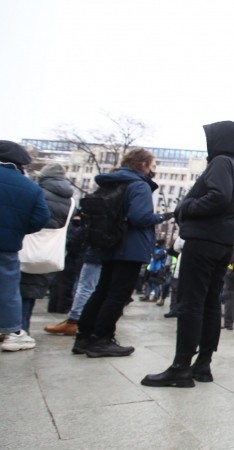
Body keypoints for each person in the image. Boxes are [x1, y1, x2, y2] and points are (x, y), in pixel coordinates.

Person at [141, 120, 234, 386]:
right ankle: (203, 364)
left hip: (204, 240)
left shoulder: (221, 162)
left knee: (191, 302)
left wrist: (185, 208)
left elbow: (218, 197)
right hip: (221, 242)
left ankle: (180, 367)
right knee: (210, 303)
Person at [73, 148, 171, 357]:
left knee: (102, 290)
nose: (154, 169)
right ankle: (102, 338)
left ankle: (84, 336)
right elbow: (140, 217)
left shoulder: (111, 182)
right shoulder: (139, 185)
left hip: (109, 244)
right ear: (143, 165)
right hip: (130, 247)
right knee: (118, 294)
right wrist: (162, 217)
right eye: (153, 165)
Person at [0, 141, 49, 351]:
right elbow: (40, 218)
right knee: (8, 289)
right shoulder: (30, 187)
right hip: (7, 244)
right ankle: (11, 332)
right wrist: (16, 229)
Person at [19, 163, 74, 335]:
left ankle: (16, 329)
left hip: (26, 246)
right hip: (50, 252)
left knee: (17, 288)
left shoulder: (35, 192)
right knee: (32, 289)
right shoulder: (71, 200)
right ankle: (23, 328)